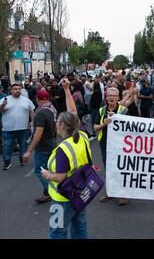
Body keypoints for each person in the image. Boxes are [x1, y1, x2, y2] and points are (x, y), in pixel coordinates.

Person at [40, 78, 91, 239]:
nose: (55, 123)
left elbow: (60, 177)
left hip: (62, 197)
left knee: (57, 231)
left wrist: (47, 175)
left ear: (62, 126)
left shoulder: (63, 149)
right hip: (80, 190)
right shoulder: (81, 135)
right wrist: (67, 89)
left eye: (57, 121)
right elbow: (73, 113)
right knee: (79, 226)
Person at [93, 87, 129, 206]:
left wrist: (117, 119)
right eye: (110, 96)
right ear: (106, 98)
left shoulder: (124, 110)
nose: (112, 98)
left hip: (120, 144)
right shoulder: (101, 110)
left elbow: (130, 126)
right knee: (108, 168)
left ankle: (123, 195)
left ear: (118, 97)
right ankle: (111, 192)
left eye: (114, 96)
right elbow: (95, 127)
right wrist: (105, 123)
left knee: (121, 168)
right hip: (105, 143)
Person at [22, 89, 57, 203]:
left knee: (40, 170)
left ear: (37, 99)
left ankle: (49, 192)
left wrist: (29, 150)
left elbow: (38, 132)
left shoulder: (41, 112)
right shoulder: (52, 108)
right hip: (51, 142)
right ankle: (52, 190)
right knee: (49, 169)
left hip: (43, 146)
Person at [0, 83, 35, 170]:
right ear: (11, 90)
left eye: (19, 89)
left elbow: (31, 111)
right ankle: (7, 162)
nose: (17, 90)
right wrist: (3, 105)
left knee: (23, 145)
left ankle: (22, 159)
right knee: (7, 146)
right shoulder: (5, 99)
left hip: (23, 128)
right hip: (8, 129)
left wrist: (32, 121)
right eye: (15, 89)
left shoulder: (26, 100)